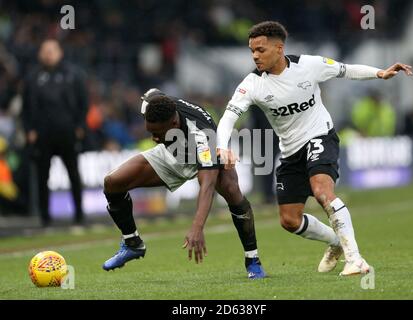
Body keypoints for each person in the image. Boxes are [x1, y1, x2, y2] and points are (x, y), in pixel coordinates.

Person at [216, 21, 413, 276]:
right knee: (289, 220)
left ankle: (356, 259)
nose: (255, 55)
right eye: (252, 50)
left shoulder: (308, 66)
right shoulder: (252, 84)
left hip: (321, 135)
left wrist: (380, 73)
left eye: (261, 50)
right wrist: (222, 147)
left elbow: (345, 70)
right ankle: (335, 242)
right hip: (290, 152)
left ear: (279, 48)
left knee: (322, 191)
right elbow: (228, 118)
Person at [102, 89, 266, 279]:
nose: (153, 138)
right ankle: (132, 243)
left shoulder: (203, 136)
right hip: (175, 153)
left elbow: (207, 186)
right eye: (150, 132)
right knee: (113, 183)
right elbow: (152, 94)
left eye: (157, 133)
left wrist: (197, 227)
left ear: (173, 123)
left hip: (207, 153)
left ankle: (252, 260)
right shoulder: (154, 106)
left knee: (232, 191)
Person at [22, 39, 88, 227]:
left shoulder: (73, 75)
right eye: (45, 50)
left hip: (68, 132)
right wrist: (29, 130)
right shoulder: (33, 77)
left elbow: (84, 103)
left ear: (60, 52)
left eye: (52, 50)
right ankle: (45, 218)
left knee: (74, 174)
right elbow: (25, 108)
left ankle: (79, 215)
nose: (48, 54)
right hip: (42, 134)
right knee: (42, 177)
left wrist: (80, 126)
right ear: (39, 54)